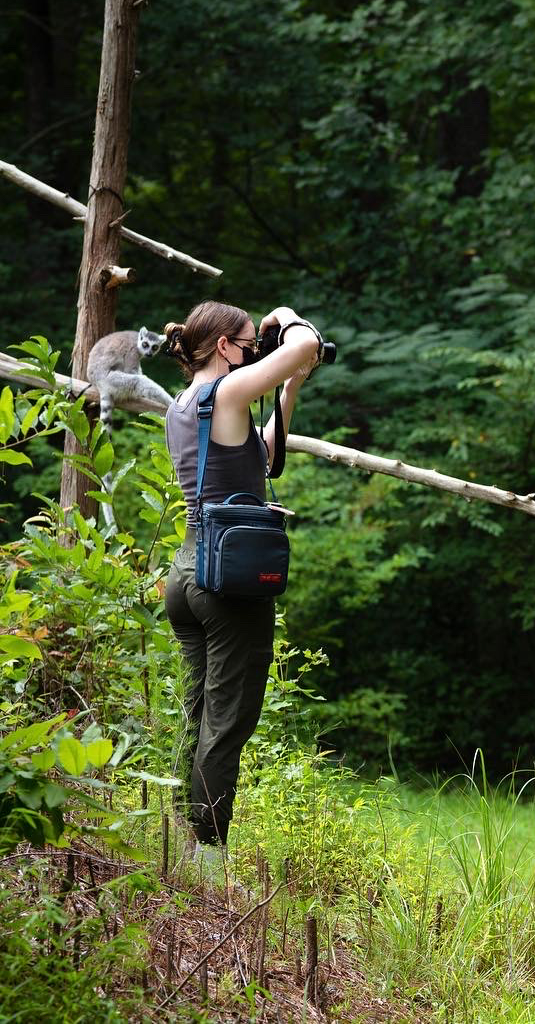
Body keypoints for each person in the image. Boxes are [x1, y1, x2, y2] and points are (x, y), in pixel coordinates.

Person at [159, 300, 320, 864]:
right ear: (225, 346)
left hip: (189, 572)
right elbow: (304, 344)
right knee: (227, 721)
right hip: (229, 583)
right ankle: (208, 861)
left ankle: (181, 846)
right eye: (252, 344)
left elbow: (263, 460)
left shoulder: (184, 405)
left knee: (198, 715)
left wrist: (290, 389)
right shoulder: (225, 395)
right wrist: (288, 317)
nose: (259, 352)